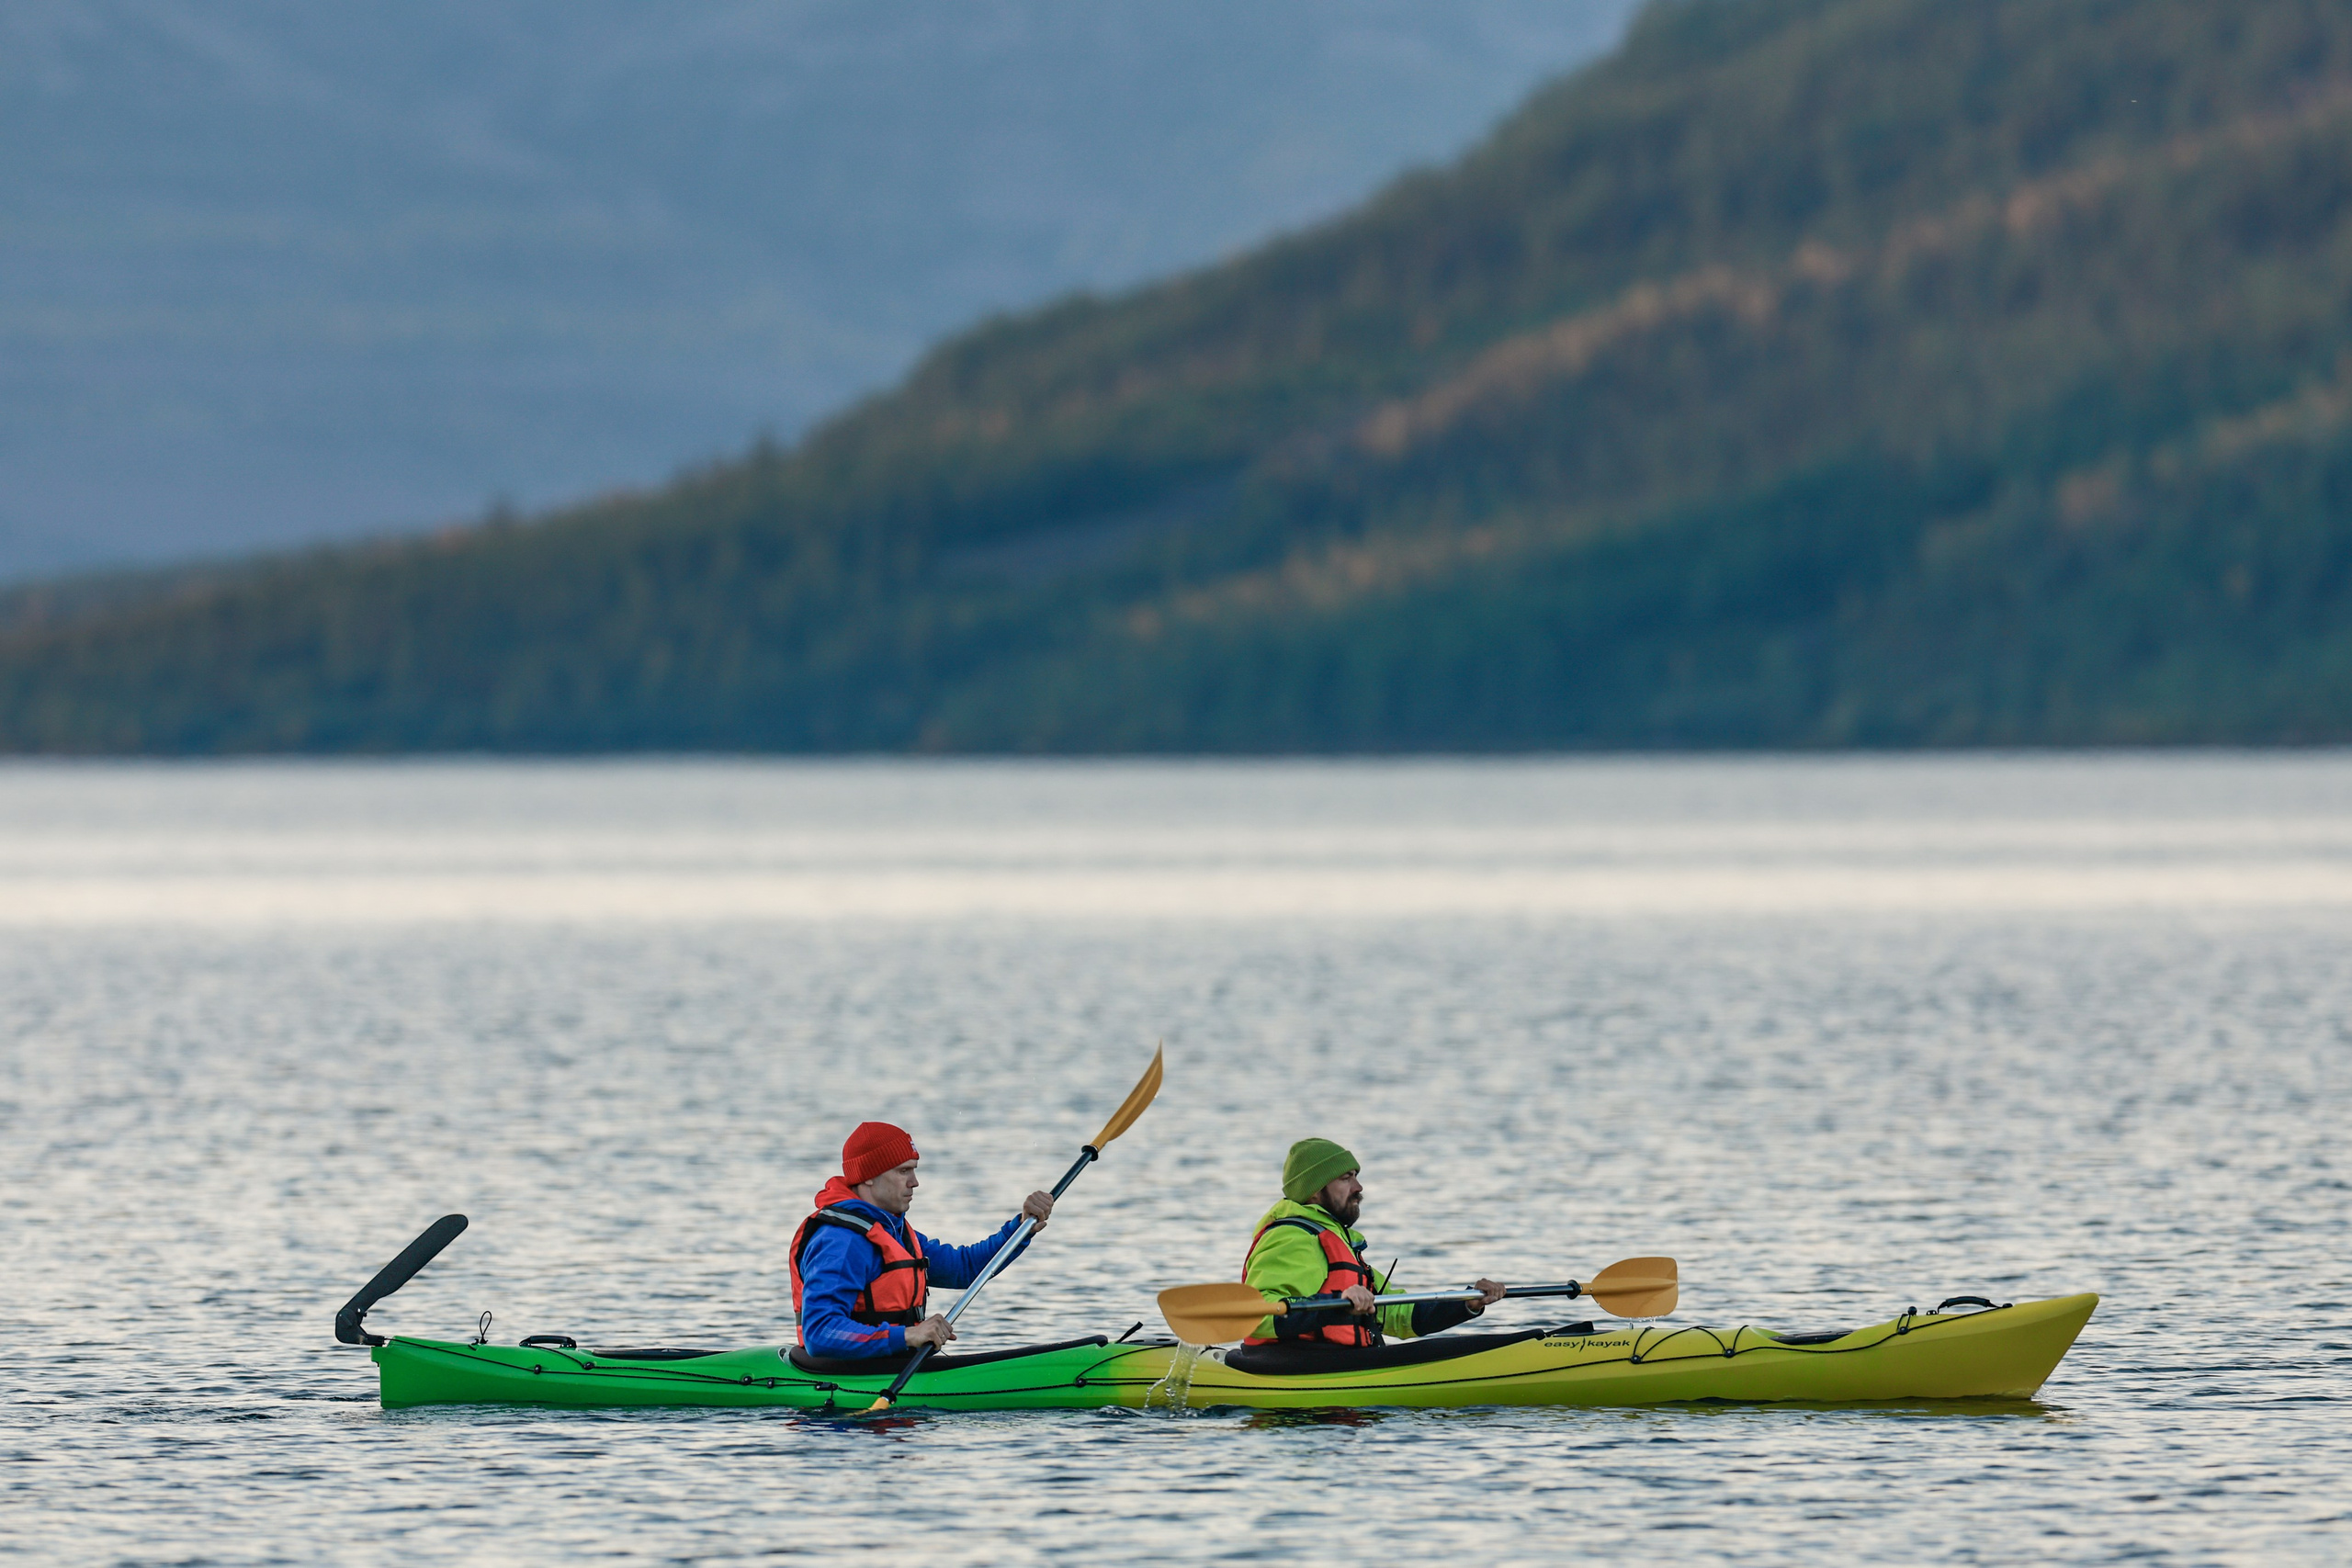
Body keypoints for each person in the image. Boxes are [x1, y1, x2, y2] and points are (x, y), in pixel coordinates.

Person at [788, 1120, 1055, 1359]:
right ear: (868, 1177)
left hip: (887, 1365)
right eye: (903, 1171)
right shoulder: (842, 1242)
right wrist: (907, 1336)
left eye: (913, 1170)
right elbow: (821, 1333)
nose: (915, 1182)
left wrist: (1022, 1227)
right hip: (845, 1377)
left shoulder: (894, 1231)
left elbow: (965, 1269)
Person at [1243, 1137, 1506, 1348]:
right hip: (1294, 1372)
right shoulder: (1291, 1238)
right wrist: (1337, 1302)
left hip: (1338, 1369)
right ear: (1314, 1190)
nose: (1358, 1186)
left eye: (1355, 1176)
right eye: (1346, 1178)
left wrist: (1468, 1302)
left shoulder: (1342, 1244)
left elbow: (1397, 1313)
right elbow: (1258, 1315)